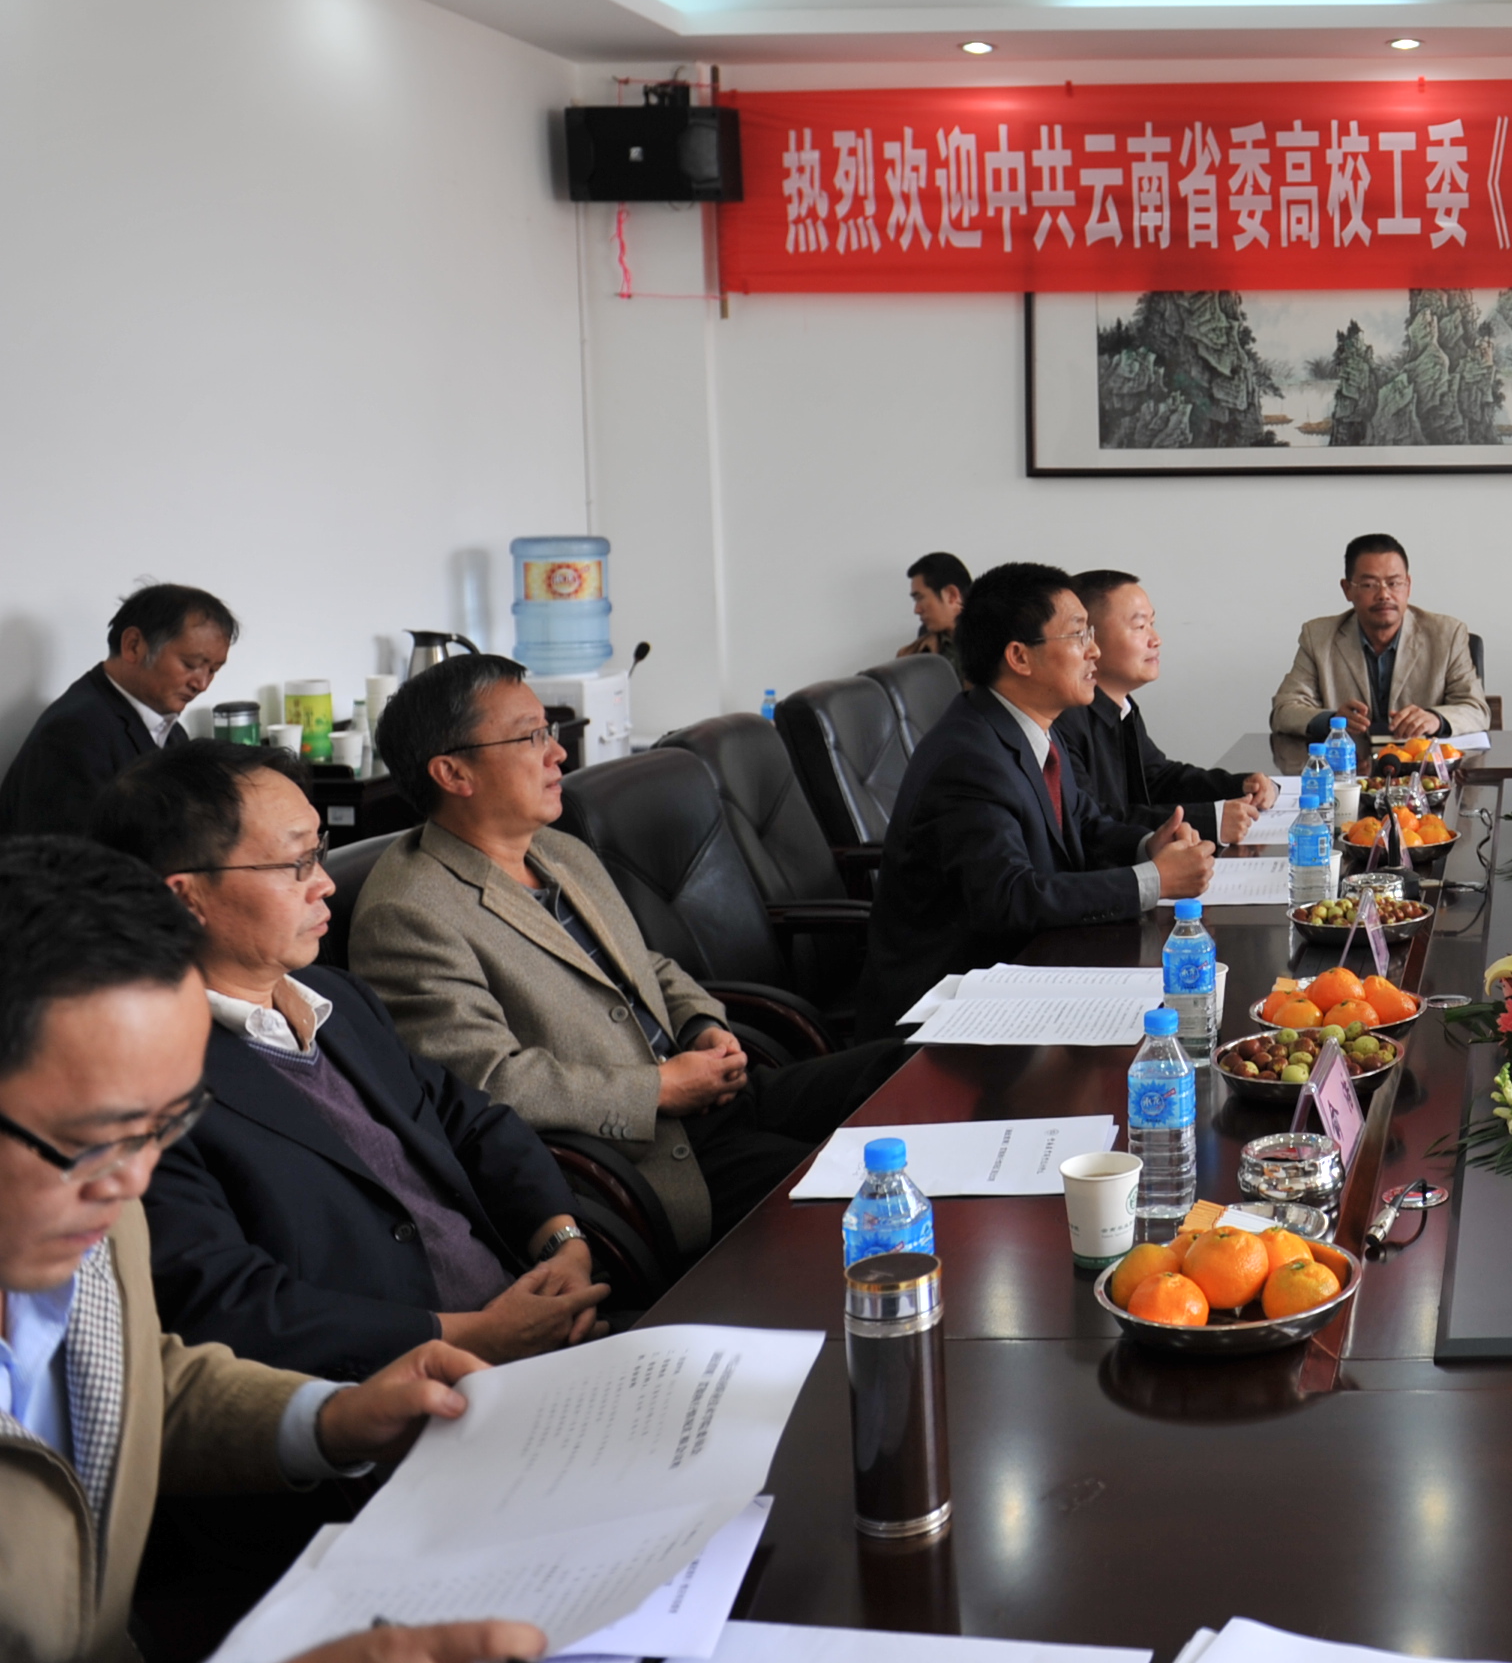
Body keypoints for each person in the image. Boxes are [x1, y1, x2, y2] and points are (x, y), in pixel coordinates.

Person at [0, 834, 546, 1663]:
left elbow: (122, 1380)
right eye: (97, 1138)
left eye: (165, 1126)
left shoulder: (85, 1209)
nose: (133, 1180)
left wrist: (330, 1418)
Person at [351, 657, 904, 1257]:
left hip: (712, 1099)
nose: (557, 753)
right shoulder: (407, 913)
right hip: (646, 1161)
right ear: (453, 772)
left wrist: (702, 1025)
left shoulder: (558, 850)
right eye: (531, 736)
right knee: (866, 1195)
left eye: (549, 731)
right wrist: (658, 1089)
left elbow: (648, 964)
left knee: (905, 1071)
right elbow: (489, 1084)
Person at [91, 742, 605, 1382]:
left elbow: (471, 1122)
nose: (326, 882)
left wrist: (561, 1243)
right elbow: (236, 1306)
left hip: (530, 1327)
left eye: (321, 852)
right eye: (296, 863)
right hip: (392, 1395)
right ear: (186, 898)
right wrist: (477, 1337)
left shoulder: (337, 999)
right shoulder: (144, 1086)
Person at [863, 564, 1217, 1033]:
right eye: (1078, 634)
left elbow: (1082, 822)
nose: (1093, 650)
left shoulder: (1029, 727)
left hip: (1025, 974)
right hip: (946, 1010)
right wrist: (1152, 880)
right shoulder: (969, 758)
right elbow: (1008, 897)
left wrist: (1148, 844)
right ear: (1019, 657)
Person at [0, 585, 238, 840]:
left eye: (213, 670)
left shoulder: (171, 729)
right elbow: (68, 856)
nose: (202, 684)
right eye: (191, 664)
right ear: (133, 646)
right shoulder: (74, 733)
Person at [1059, 570, 1279, 844]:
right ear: (1088, 638)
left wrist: (1239, 786)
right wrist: (1209, 821)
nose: (1156, 639)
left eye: (1152, 623)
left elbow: (1158, 778)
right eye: (1140, 627)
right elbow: (1092, 821)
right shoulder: (1063, 719)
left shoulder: (1122, 707)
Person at [1269, 534, 1487, 742]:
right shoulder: (1318, 637)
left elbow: (1476, 709)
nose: (1384, 595)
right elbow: (1284, 710)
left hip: (1420, 763)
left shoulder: (1447, 635)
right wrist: (1332, 721)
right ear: (1347, 589)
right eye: (1369, 585)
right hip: (1349, 764)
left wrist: (1435, 719)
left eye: (1394, 583)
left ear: (1408, 586)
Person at [897, 552, 969, 663]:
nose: (916, 610)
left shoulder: (996, 645)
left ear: (951, 595)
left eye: (920, 598)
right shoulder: (912, 653)